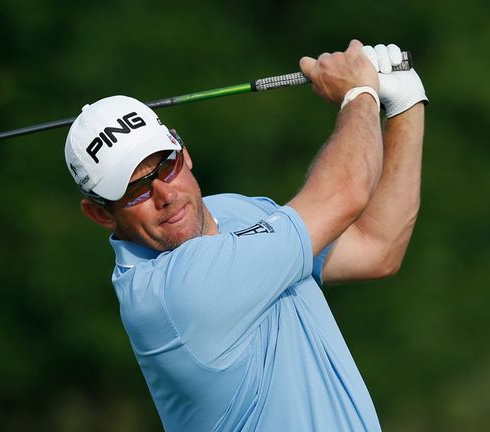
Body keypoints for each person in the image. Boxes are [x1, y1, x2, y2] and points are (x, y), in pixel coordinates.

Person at [64, 40, 426, 431]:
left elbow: (377, 248)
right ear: (100, 213)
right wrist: (358, 92)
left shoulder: (234, 211)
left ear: (183, 153)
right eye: (135, 189)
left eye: (165, 166)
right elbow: (346, 193)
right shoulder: (174, 294)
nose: (165, 195)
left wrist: (405, 103)